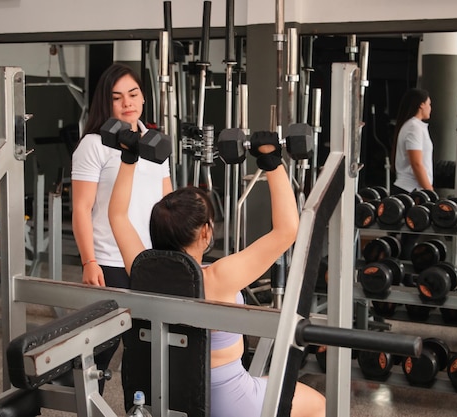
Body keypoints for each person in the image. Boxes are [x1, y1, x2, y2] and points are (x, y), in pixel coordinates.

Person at [108, 133, 326, 417]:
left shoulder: (141, 268)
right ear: (206, 232)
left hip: (168, 397)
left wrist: (128, 158)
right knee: (318, 404)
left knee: (271, 384)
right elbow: (287, 230)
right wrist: (271, 160)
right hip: (226, 401)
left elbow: (117, 216)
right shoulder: (219, 276)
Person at [71, 63, 173, 392]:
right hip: (110, 260)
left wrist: (174, 256)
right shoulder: (93, 144)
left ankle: (137, 412)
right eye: (118, 97)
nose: (127, 102)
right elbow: (81, 208)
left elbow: (168, 203)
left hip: (150, 260)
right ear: (107, 103)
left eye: (133, 94)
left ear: (143, 97)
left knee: (143, 350)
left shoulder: (156, 143)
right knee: (101, 350)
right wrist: (89, 261)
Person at [391, 88, 434, 195]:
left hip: (413, 190)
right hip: (411, 190)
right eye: (429, 104)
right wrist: (430, 191)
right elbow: (416, 163)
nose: (430, 108)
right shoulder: (414, 127)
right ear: (421, 105)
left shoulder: (414, 126)